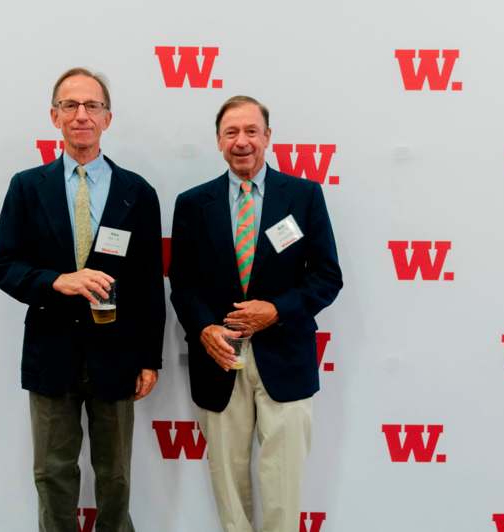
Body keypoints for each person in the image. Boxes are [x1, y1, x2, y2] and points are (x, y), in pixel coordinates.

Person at [0, 67, 165, 532]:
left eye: (92, 106)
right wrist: (55, 281)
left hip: (118, 352)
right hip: (51, 351)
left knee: (117, 477)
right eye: (70, 105)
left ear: (108, 118)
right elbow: (3, 265)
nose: (81, 115)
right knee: (52, 474)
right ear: (54, 116)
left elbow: (149, 283)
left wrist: (150, 357)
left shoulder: (138, 192)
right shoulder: (27, 187)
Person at [168, 95, 342, 532]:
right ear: (218, 141)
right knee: (227, 480)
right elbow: (182, 283)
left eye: (251, 131)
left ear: (268, 137)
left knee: (284, 481)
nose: (241, 141)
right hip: (219, 361)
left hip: (286, 358)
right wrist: (205, 327)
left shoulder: (303, 196)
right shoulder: (193, 204)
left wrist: (276, 310)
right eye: (231, 133)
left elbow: (326, 277)